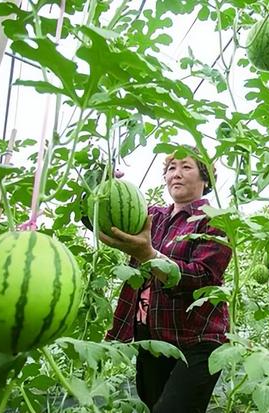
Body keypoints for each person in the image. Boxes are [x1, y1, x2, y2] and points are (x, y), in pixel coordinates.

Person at [100, 148, 231, 413]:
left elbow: (201, 276)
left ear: (205, 178)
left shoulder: (216, 220)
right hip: (152, 337)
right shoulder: (152, 217)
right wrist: (100, 184)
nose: (177, 174)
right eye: (171, 168)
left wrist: (149, 255)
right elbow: (101, 217)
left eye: (186, 167)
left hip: (198, 339)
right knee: (153, 404)